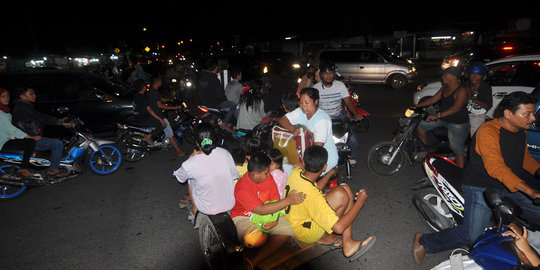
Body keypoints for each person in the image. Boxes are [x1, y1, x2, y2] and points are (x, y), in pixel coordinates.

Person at [412, 92, 540, 266]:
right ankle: (425, 243)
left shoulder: (520, 131)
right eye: (527, 113)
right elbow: (496, 167)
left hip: (510, 185)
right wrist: (530, 190)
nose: (533, 118)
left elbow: (525, 158)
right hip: (481, 187)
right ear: (509, 113)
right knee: (472, 234)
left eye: (533, 113)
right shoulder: (488, 131)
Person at [284, 145, 376, 261]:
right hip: (305, 233)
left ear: (304, 161)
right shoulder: (315, 198)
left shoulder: (296, 172)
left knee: (345, 187)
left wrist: (331, 172)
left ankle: (348, 244)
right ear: (324, 167)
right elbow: (338, 228)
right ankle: (323, 237)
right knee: (341, 195)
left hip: (295, 222)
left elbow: (312, 187)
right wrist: (360, 203)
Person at [230, 151, 306, 270]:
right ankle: (258, 244)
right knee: (255, 239)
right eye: (266, 172)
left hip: (268, 213)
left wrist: (275, 220)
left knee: (287, 230)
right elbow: (260, 210)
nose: (269, 174)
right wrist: (288, 201)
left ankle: (253, 261)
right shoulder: (242, 187)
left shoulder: (267, 177)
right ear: (255, 174)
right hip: (243, 216)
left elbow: (274, 200)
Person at [173, 122, 238, 217]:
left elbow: (180, 177)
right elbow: (234, 175)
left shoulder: (190, 164)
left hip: (206, 208)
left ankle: (195, 209)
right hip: (230, 203)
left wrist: (191, 156)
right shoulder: (225, 153)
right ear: (214, 139)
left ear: (196, 142)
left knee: (190, 180)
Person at [11, 85, 73, 178]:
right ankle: (53, 169)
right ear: (22, 96)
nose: (34, 96)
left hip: (28, 135)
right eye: (30, 94)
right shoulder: (24, 108)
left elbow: (40, 118)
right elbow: (41, 117)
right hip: (28, 139)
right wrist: (60, 122)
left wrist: (59, 120)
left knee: (55, 139)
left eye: (34, 93)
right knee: (57, 144)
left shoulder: (24, 106)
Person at [415, 66, 470, 168]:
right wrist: (418, 106)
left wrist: (438, 115)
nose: (442, 77)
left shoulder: (461, 90)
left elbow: (456, 108)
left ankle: (459, 172)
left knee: (457, 149)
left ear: (453, 77)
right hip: (444, 119)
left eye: (445, 75)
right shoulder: (445, 88)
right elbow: (433, 99)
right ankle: (430, 149)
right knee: (420, 126)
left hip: (458, 123)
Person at [278, 87, 338, 175]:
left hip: (320, 157)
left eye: (307, 102)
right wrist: (292, 128)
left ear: (316, 101)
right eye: (301, 102)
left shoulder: (322, 119)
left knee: (298, 175)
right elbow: (282, 120)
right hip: (304, 154)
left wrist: (303, 163)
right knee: (282, 167)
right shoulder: (300, 111)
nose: (303, 106)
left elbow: (317, 148)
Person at [312, 62, 362, 166]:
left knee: (352, 140)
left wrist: (356, 114)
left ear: (334, 74)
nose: (328, 76)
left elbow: (348, 102)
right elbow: (312, 106)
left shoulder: (340, 85)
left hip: (339, 116)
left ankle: (351, 156)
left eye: (331, 73)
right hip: (323, 118)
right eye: (325, 73)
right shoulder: (315, 88)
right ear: (321, 75)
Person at [0, 88, 38, 177]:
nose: (6, 99)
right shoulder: (0, 113)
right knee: (31, 142)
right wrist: (28, 136)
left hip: (7, 140)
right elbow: (10, 129)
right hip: (2, 142)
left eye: (7, 96)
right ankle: (23, 168)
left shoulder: (6, 112)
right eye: (3, 97)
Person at [146, 77, 184, 157]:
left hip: (152, 115)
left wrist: (169, 100)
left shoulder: (149, 92)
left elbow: (159, 99)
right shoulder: (155, 92)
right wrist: (175, 108)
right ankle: (179, 152)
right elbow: (160, 106)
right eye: (160, 80)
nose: (161, 82)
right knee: (170, 134)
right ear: (157, 82)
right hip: (159, 116)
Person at [197, 58, 237, 124]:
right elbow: (220, 95)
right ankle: (224, 123)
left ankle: (212, 123)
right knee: (232, 105)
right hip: (214, 103)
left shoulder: (203, 77)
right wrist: (225, 99)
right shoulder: (215, 79)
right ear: (216, 67)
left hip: (204, 102)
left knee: (217, 106)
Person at [464, 62, 493, 136]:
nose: (474, 77)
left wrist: (472, 98)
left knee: (475, 135)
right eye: (472, 74)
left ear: (482, 76)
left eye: (478, 75)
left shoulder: (485, 88)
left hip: (477, 115)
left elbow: (487, 106)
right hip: (464, 114)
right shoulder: (465, 85)